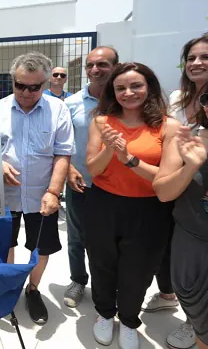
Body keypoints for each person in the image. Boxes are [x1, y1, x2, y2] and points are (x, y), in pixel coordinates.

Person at [147, 32, 208, 349]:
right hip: (188, 237)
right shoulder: (188, 131)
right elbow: (164, 190)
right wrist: (191, 165)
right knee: (200, 317)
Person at [85, 62, 180, 349]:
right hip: (104, 204)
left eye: (136, 85)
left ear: (149, 86)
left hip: (148, 210)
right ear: (112, 92)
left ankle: (128, 320)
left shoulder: (168, 126)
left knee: (138, 270)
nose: (128, 93)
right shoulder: (101, 122)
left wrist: (129, 159)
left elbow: (165, 178)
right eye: (120, 88)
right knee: (102, 264)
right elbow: (93, 169)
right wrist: (111, 150)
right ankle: (104, 314)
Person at [0, 52, 73, 325]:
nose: (27, 92)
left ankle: (32, 290)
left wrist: (53, 192)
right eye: (21, 86)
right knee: (5, 244)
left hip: (42, 195)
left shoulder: (58, 110)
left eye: (35, 87)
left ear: (45, 83)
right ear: (13, 81)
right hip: (4, 195)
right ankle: (8, 290)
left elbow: (63, 154)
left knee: (41, 247)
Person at [63, 46, 119, 308]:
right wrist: (70, 169)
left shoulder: (126, 100)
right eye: (90, 65)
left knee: (113, 240)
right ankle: (77, 280)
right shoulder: (71, 104)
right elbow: (62, 144)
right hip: (81, 183)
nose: (95, 70)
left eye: (103, 64)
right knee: (77, 237)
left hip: (119, 187)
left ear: (116, 67)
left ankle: (107, 284)